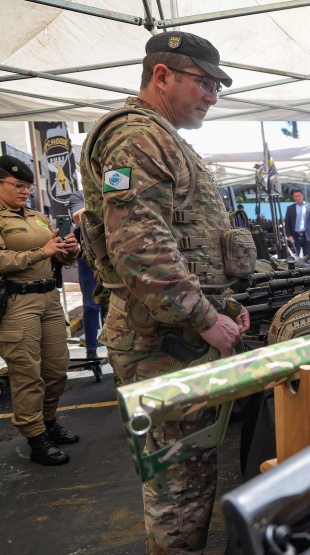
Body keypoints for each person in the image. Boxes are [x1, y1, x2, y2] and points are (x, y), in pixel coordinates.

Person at [79, 31, 252, 553]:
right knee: (178, 487)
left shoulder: (159, 136)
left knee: (189, 474)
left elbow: (184, 240)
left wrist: (225, 305)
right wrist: (204, 317)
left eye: (216, 86)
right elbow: (140, 248)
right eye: (203, 83)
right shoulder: (137, 136)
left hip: (174, 334)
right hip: (163, 343)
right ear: (162, 76)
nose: (211, 96)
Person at [0, 155, 80, 466]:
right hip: (17, 305)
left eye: (28, 187)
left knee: (57, 369)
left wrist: (67, 251)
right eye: (17, 186)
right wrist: (40, 251)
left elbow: (52, 256)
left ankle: (48, 423)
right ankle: (36, 437)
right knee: (27, 375)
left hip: (48, 299)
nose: (25, 192)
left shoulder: (35, 216)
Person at [68, 189, 101, 359]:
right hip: (89, 256)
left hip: (118, 252)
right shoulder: (79, 195)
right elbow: (78, 217)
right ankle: (91, 350)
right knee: (91, 303)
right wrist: (102, 197)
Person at [284, 189, 310, 259]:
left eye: (299, 196)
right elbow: (287, 223)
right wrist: (289, 235)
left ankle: (308, 269)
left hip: (307, 236)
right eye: (295, 196)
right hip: (295, 236)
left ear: (303, 196)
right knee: (294, 257)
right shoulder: (290, 208)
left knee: (307, 257)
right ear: (293, 197)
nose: (297, 198)